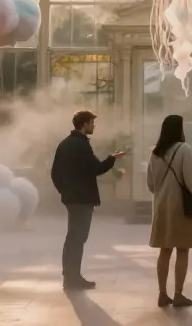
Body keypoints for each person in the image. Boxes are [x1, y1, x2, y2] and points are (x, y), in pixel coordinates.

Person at [51, 110, 126, 290]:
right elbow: (97, 169)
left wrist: (65, 191)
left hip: (71, 198)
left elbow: (55, 173)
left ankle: (69, 276)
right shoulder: (82, 146)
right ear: (84, 124)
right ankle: (73, 278)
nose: (94, 125)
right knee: (78, 238)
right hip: (83, 199)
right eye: (92, 122)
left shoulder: (64, 144)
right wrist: (112, 159)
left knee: (72, 238)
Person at [147, 115, 192, 308]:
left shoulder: (155, 153)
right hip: (181, 207)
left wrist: (163, 192)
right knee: (182, 249)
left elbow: (150, 184)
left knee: (165, 250)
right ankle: (178, 294)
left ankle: (162, 294)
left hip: (162, 207)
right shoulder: (184, 149)